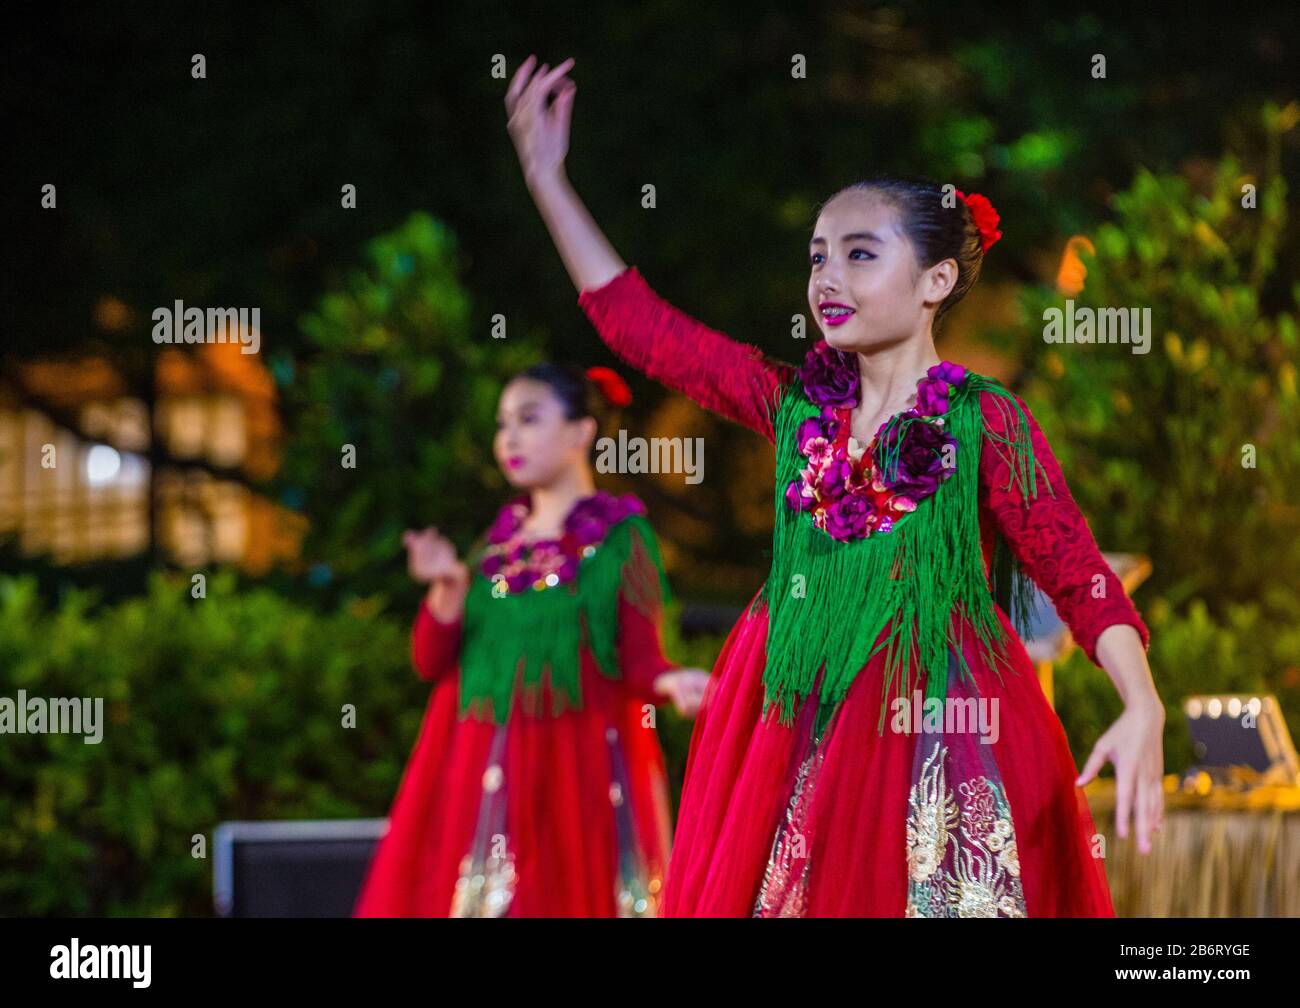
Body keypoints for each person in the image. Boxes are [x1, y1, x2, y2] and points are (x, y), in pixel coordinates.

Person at [505, 54, 1165, 917]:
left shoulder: (985, 420)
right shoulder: (787, 405)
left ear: (936, 282)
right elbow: (643, 327)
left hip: (937, 715)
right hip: (792, 703)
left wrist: (1142, 701)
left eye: (860, 254)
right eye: (819, 257)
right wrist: (548, 179)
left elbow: (1076, 572)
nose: (828, 278)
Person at [353, 361, 711, 917]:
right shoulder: (495, 548)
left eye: (528, 419)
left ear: (580, 433)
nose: (509, 438)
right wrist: (447, 585)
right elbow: (431, 661)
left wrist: (672, 681)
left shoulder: (621, 539)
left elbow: (638, 658)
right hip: (482, 770)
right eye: (502, 424)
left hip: (576, 767)